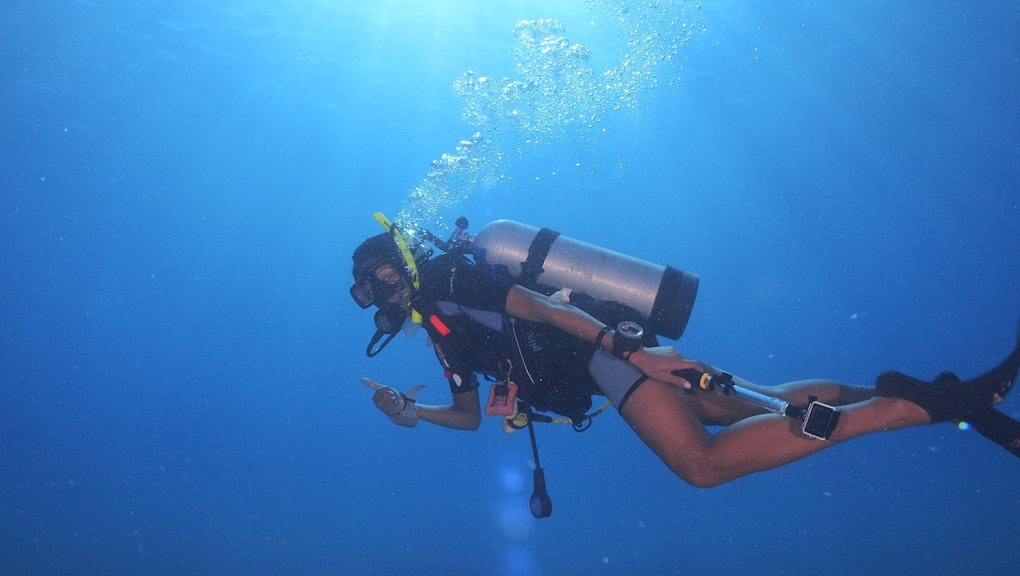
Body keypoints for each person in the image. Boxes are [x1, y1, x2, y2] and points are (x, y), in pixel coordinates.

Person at [351, 218, 1020, 492]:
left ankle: (916, 406)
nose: (375, 295)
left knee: (701, 464)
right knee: (753, 403)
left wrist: (631, 355)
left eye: (377, 277)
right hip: (617, 351)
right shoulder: (441, 327)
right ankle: (899, 390)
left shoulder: (446, 281)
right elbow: (468, 415)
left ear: (400, 263)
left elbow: (544, 311)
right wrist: (412, 415)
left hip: (608, 356)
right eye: (365, 290)